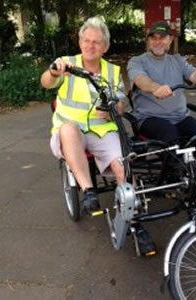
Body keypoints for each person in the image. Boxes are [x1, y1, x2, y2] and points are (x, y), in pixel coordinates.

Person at [41, 17, 126, 215]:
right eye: (86, 41)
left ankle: (130, 214)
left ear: (105, 47)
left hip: (103, 131)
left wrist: (113, 108)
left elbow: (121, 105)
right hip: (71, 132)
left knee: (124, 167)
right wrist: (53, 73)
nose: (90, 46)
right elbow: (46, 82)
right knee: (68, 129)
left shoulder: (113, 71)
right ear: (80, 43)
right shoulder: (66, 64)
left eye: (96, 42)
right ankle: (89, 190)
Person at [127, 20, 196, 182]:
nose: (158, 42)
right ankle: (178, 180)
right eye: (154, 38)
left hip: (180, 117)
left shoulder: (178, 61)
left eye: (163, 38)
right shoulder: (137, 61)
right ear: (148, 40)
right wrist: (155, 88)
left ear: (170, 40)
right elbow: (140, 80)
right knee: (171, 138)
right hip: (149, 119)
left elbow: (195, 75)